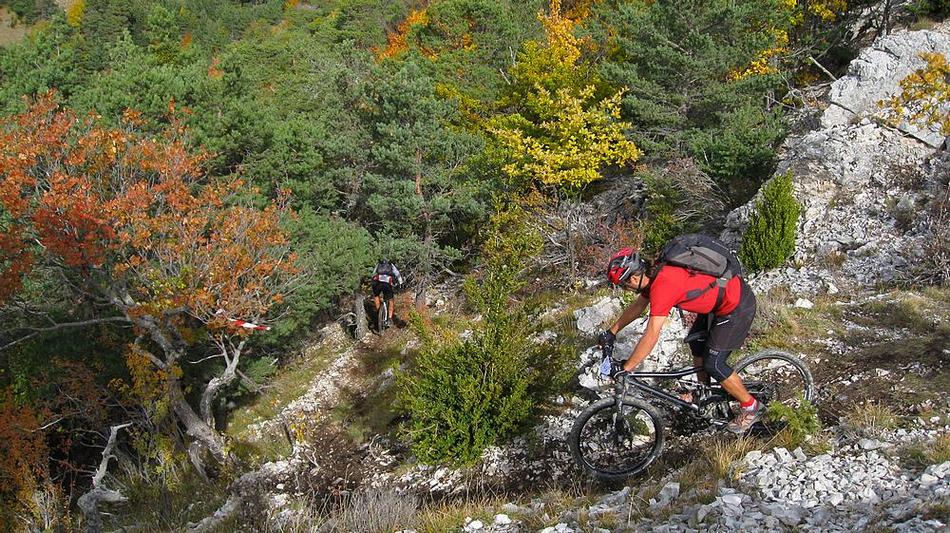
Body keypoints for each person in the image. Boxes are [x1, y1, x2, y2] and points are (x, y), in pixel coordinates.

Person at [601, 246, 761, 433]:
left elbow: (652, 333)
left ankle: (751, 407)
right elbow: (637, 307)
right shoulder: (653, 277)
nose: (626, 290)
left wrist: (627, 368)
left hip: (736, 305)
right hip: (716, 304)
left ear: (634, 278)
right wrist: (611, 332)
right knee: (696, 344)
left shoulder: (662, 286)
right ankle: (705, 393)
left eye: (623, 285)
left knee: (714, 363)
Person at [371, 259, 403, 327]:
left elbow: (372, 274)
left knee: (376, 296)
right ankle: (389, 318)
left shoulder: (378, 264)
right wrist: (400, 282)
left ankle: (379, 312)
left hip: (378, 284)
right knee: (391, 300)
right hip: (387, 285)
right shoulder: (391, 265)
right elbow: (397, 274)